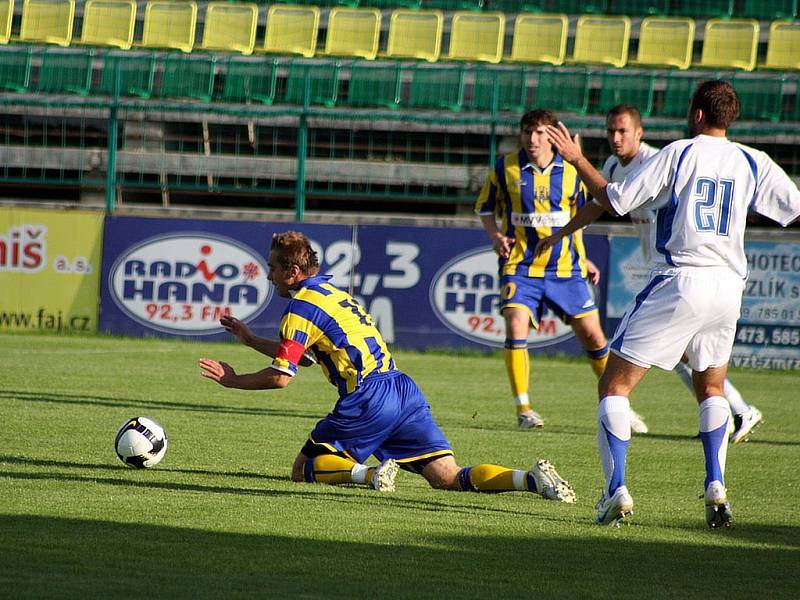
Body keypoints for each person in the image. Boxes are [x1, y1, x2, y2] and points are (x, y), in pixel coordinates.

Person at [546, 81, 800, 528]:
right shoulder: (752, 160)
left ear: (697, 114)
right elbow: (794, 207)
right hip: (728, 287)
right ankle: (716, 483)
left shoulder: (680, 152)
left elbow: (619, 201)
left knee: (614, 387)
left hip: (683, 277)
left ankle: (615, 490)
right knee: (711, 389)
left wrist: (577, 159)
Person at [198, 231, 577, 503]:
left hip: (367, 398)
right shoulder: (333, 293)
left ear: (293, 272)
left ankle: (370, 473)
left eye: (273, 269)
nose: (269, 276)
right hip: (402, 389)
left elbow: (282, 377)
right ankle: (530, 480)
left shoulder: (299, 308)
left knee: (304, 469)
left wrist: (233, 381)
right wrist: (249, 340)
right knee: (447, 478)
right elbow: (307, 357)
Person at [535, 104, 763, 443]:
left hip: (683, 270)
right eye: (611, 130)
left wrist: (577, 161)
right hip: (663, 270)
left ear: (639, 133)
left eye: (623, 131)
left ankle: (738, 410)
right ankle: (733, 411)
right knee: (685, 355)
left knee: (676, 357)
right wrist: (560, 233)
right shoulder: (614, 165)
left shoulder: (661, 160)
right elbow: (600, 203)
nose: (615, 137)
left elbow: (617, 201)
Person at [475, 108, 630, 430]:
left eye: (540, 133)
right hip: (520, 265)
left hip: (566, 268)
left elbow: (580, 218)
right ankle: (524, 410)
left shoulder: (573, 171)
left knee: (593, 336)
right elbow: (485, 208)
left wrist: (583, 257)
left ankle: (618, 405)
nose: (533, 139)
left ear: (552, 136)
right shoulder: (506, 167)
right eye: (527, 132)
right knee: (516, 324)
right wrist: (495, 236)